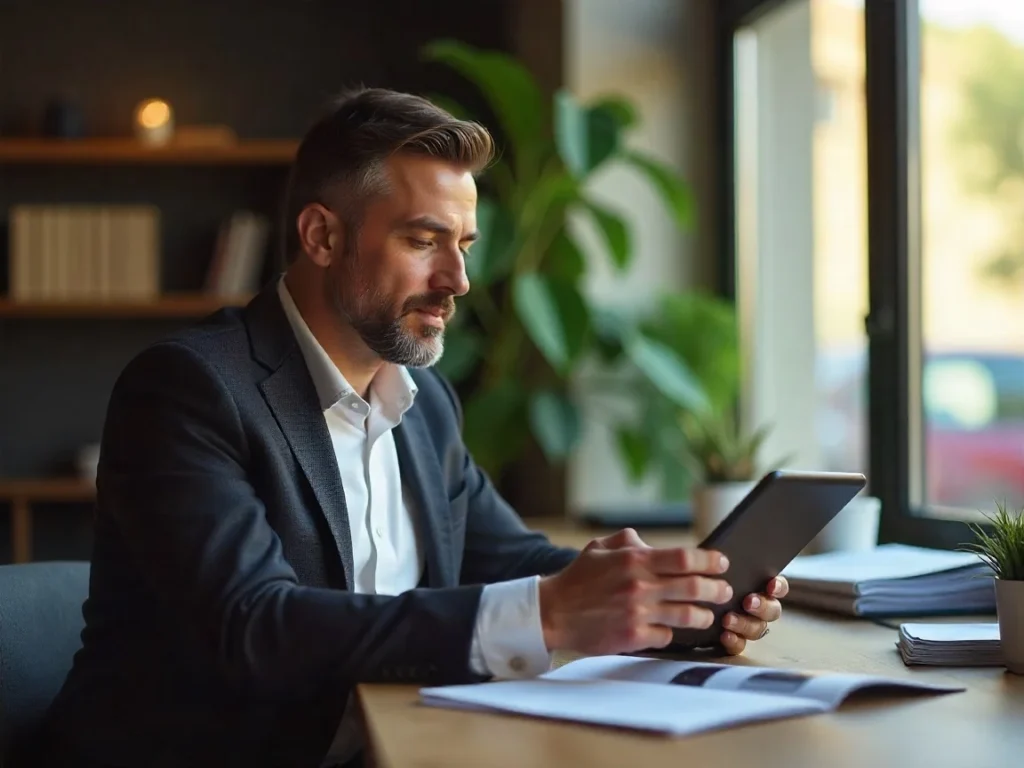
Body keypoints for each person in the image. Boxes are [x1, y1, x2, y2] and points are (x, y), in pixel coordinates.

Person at [42, 87, 788, 768]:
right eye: (423, 241)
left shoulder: (424, 404)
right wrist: (554, 610)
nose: (458, 282)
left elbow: (505, 556)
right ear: (322, 236)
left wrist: (664, 598)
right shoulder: (188, 389)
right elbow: (255, 625)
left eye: (463, 246)